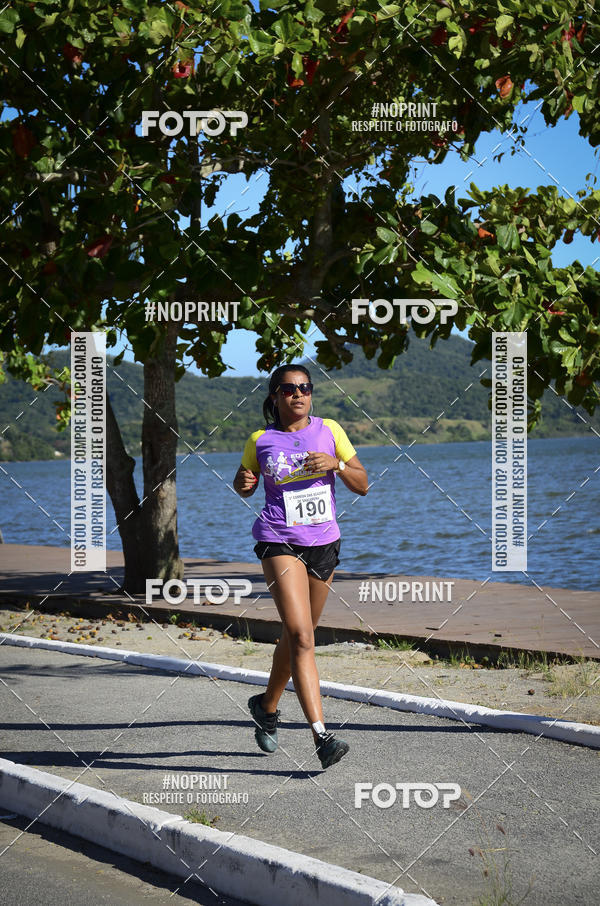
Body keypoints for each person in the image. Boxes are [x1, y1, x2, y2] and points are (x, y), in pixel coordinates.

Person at [232, 364, 368, 769]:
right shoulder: (260, 439)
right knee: (302, 636)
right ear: (275, 396)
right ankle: (321, 736)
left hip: (324, 544)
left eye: (305, 388)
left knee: (297, 638)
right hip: (278, 541)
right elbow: (243, 482)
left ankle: (266, 705)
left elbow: (363, 483)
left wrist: (335, 465)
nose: (298, 394)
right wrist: (243, 484)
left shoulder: (330, 430)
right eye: (289, 389)